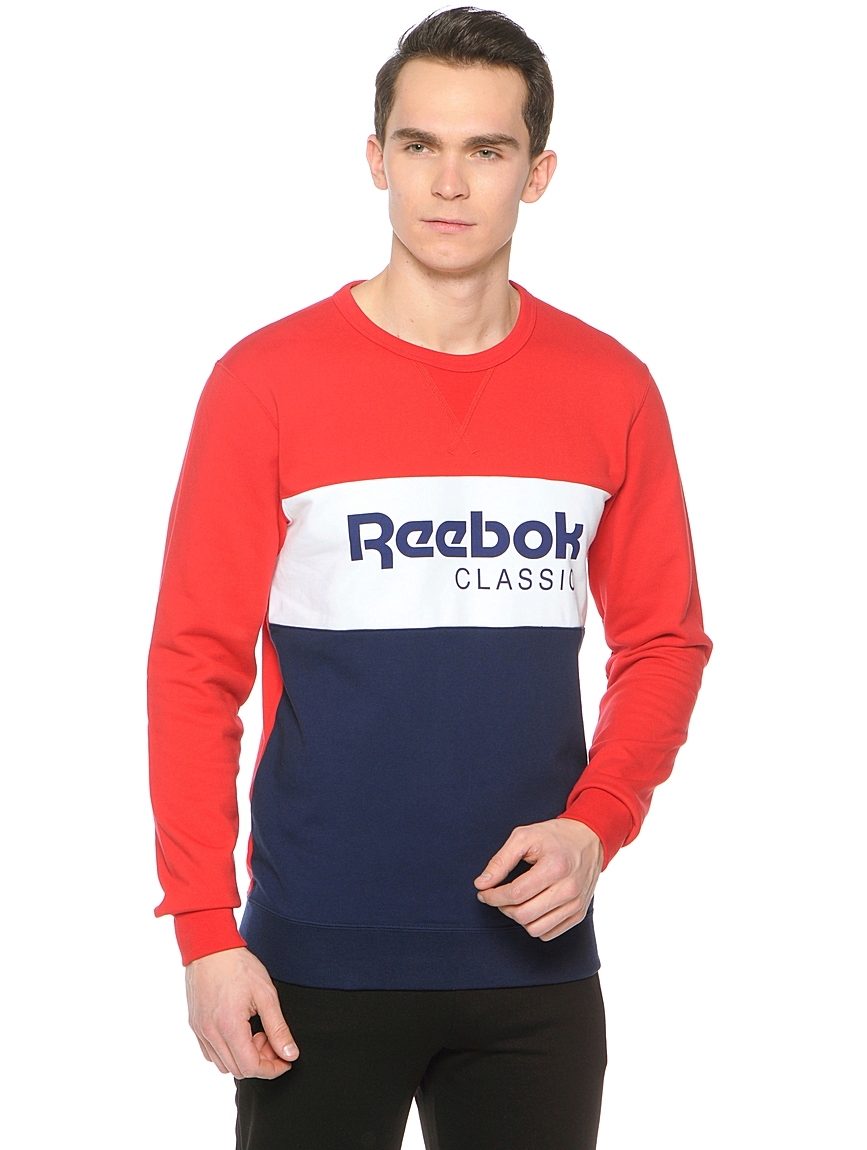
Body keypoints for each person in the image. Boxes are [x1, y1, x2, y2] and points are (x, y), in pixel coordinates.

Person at [146, 7, 712, 1148]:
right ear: (377, 159)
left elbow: (664, 642)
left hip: (534, 966)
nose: (449, 183)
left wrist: (597, 826)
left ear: (536, 173)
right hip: (312, 963)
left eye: (486, 150)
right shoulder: (264, 383)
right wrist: (206, 928)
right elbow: (194, 665)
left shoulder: (610, 388)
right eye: (420, 145)